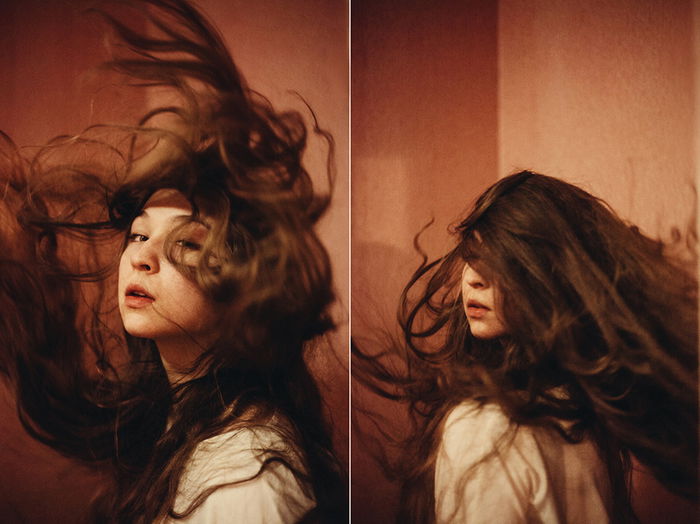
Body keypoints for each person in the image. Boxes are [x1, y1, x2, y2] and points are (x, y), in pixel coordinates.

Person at [0, 0, 346, 522]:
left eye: (186, 244)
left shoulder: (247, 480)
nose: (141, 258)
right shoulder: (171, 419)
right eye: (138, 235)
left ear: (241, 283)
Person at [353, 171, 697, 523]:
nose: (473, 277)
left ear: (553, 275)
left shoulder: (487, 430)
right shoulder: (582, 408)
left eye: (504, 261)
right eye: (472, 254)